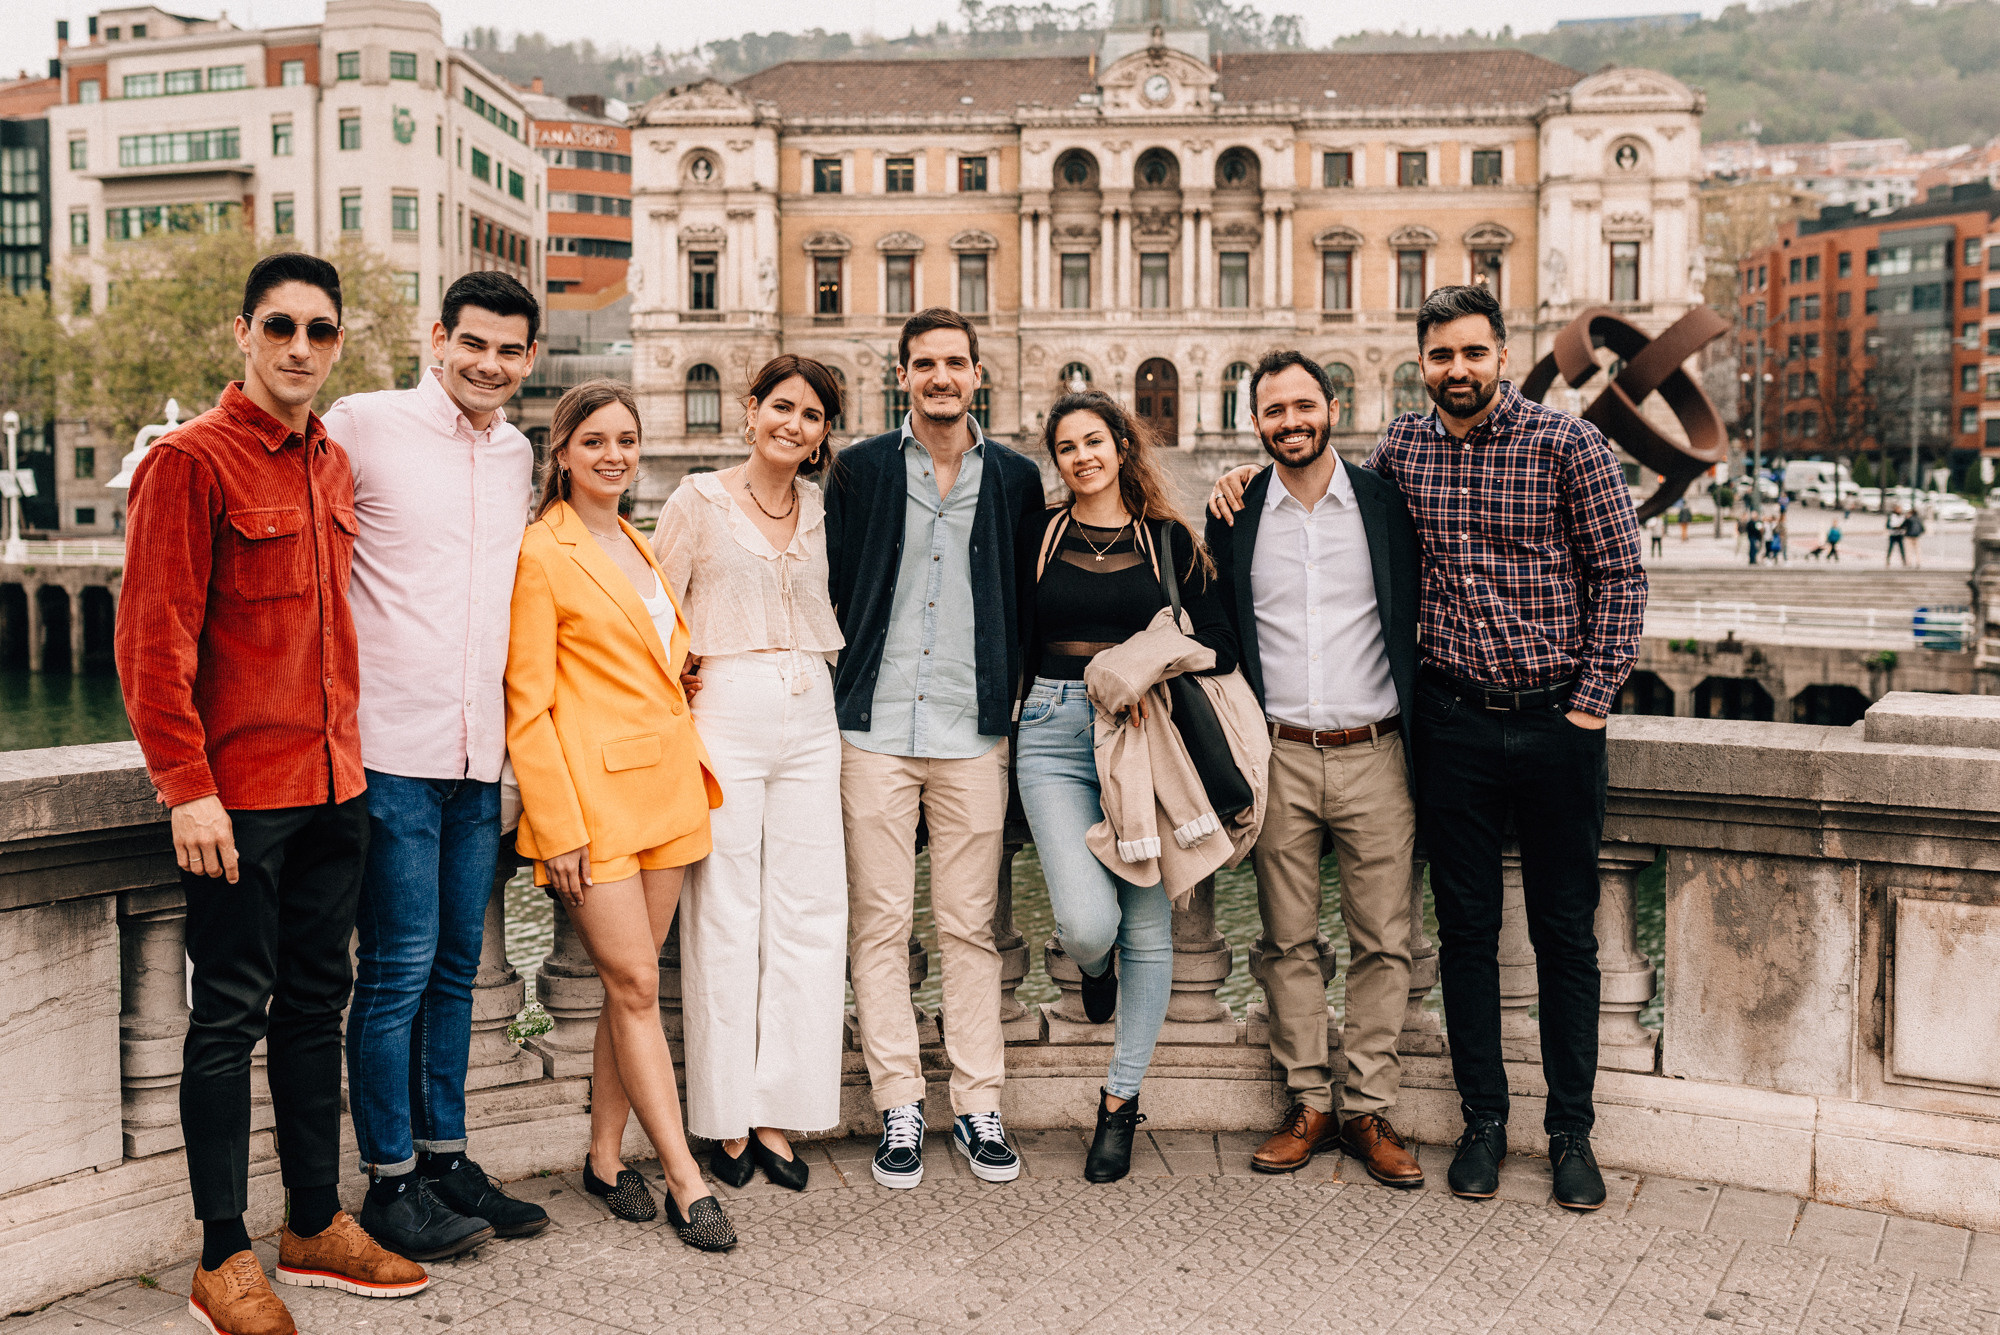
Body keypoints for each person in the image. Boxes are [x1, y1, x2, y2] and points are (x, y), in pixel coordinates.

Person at [1214, 284, 1643, 1212]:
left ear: (1502, 351)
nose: (1458, 369)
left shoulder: (1566, 444)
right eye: (1441, 356)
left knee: (1562, 936)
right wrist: (1231, 481)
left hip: (1545, 723)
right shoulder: (1395, 456)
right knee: (1463, 935)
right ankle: (1481, 1123)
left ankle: (1569, 1132)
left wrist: (1589, 707)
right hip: (1440, 730)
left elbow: (1621, 576)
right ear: (1420, 364)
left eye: (1473, 353)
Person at [115, 252, 427, 1335]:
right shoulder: (187, 463)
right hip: (238, 799)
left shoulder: (331, 462)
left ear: (338, 343)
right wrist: (185, 789)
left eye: (321, 331)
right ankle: (220, 1256)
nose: (301, 347)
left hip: (335, 783)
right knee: (227, 1020)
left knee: (315, 1009)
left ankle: (311, 1221)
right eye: (282, 326)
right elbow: (151, 644)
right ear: (243, 333)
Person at [324, 272, 549, 1259]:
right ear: (437, 338)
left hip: (477, 757)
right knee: (397, 972)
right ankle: (388, 1182)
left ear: (529, 360)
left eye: (508, 350)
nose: (489, 364)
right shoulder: (362, 424)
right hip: (389, 752)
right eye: (474, 344)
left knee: (458, 970)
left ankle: (445, 1158)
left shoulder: (516, 454)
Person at [504, 380, 736, 1252]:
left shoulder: (634, 540)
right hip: (594, 808)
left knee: (627, 989)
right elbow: (525, 706)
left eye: (627, 440)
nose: (615, 455)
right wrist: (556, 826)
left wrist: (675, 674)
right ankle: (684, 1175)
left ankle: (604, 1158)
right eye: (594, 441)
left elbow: (642, 654)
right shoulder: (542, 551)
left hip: (669, 791)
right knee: (640, 986)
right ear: (561, 453)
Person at [824, 307, 1045, 1189]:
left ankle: (979, 1103)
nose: (942, 377)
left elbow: (1035, 592)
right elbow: (823, 577)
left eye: (956, 363)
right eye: (926, 364)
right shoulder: (864, 470)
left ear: (977, 375)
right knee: (878, 924)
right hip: (873, 729)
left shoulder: (1018, 478)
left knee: (970, 929)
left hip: (973, 729)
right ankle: (900, 1105)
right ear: (903, 375)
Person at [1202, 351, 1426, 1188]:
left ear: (1332, 407)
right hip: (1279, 754)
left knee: (1383, 942)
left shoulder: (1384, 501)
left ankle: (1368, 1107)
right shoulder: (1235, 510)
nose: (1290, 421)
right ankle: (1309, 1102)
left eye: (1304, 405)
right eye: (1273, 411)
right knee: (1286, 940)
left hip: (1377, 750)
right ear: (1253, 421)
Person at [1013, 389, 1237, 1183]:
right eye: (1067, 446)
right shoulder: (1036, 535)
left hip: (1143, 736)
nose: (1082, 457)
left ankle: (1119, 1101)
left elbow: (1219, 642)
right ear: (1058, 459)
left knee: (1149, 929)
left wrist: (1145, 661)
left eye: (1095, 441)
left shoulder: (1170, 539)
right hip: (1049, 731)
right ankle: (1094, 971)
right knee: (1084, 922)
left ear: (1121, 445)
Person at [652, 356, 848, 1192]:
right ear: (750, 411)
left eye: (811, 415)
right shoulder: (697, 499)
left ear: (823, 434)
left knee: (809, 911)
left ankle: (780, 1108)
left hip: (812, 710)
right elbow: (656, 613)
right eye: (781, 407)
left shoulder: (822, 508)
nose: (793, 424)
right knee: (724, 910)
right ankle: (726, 1116)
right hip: (724, 705)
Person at [1904, 501, 1925, 568]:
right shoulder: (1919, 519)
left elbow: (1903, 525)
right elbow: (1923, 529)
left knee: (1908, 550)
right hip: (1916, 536)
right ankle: (1918, 562)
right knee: (1917, 550)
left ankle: (1909, 563)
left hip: (1909, 536)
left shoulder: (1909, 519)